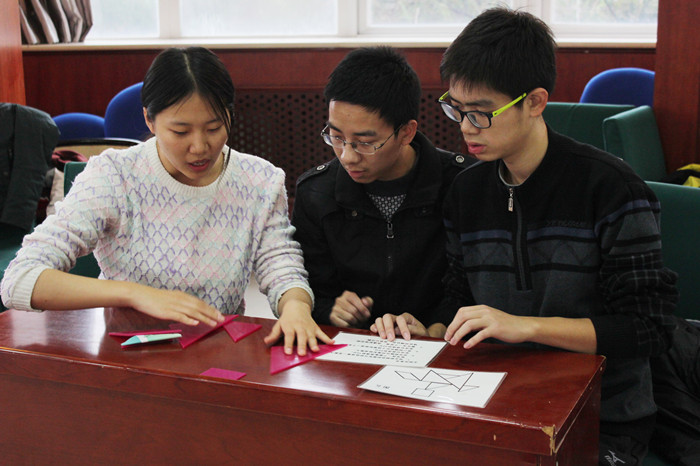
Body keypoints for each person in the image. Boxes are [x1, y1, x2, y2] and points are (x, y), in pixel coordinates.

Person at [371, 8, 678, 465]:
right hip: (495, 400)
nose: (465, 127)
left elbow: (648, 328)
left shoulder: (611, 189)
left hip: (600, 416)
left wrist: (526, 327)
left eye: (481, 113)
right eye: (457, 109)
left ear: (534, 101)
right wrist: (428, 330)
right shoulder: (466, 192)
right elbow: (459, 296)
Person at [0, 46, 331, 356]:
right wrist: (134, 293)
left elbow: (280, 265)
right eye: (180, 132)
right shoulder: (115, 175)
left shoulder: (259, 180)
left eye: (214, 128)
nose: (200, 147)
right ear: (149, 119)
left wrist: (296, 308)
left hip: (219, 354)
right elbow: (19, 281)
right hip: (128, 355)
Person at [291, 46, 471, 332]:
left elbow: (470, 288)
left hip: (441, 341)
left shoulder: (462, 184)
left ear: (406, 132)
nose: (348, 156)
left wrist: (435, 330)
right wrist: (331, 309)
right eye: (336, 137)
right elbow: (305, 287)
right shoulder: (316, 193)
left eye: (365, 143)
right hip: (354, 345)